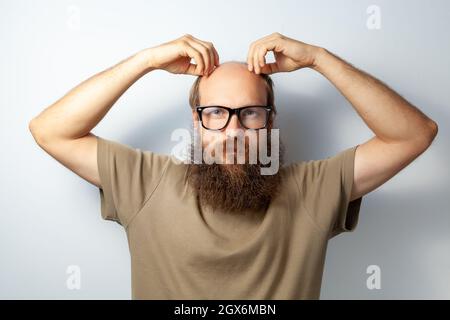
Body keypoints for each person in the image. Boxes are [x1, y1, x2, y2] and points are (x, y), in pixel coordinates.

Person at [29, 33, 438, 299]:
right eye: (216, 113)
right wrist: (145, 61)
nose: (233, 131)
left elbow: (413, 134)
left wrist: (319, 58)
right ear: (196, 119)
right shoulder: (146, 182)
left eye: (250, 114)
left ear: (270, 121)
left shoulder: (312, 189)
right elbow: (50, 130)